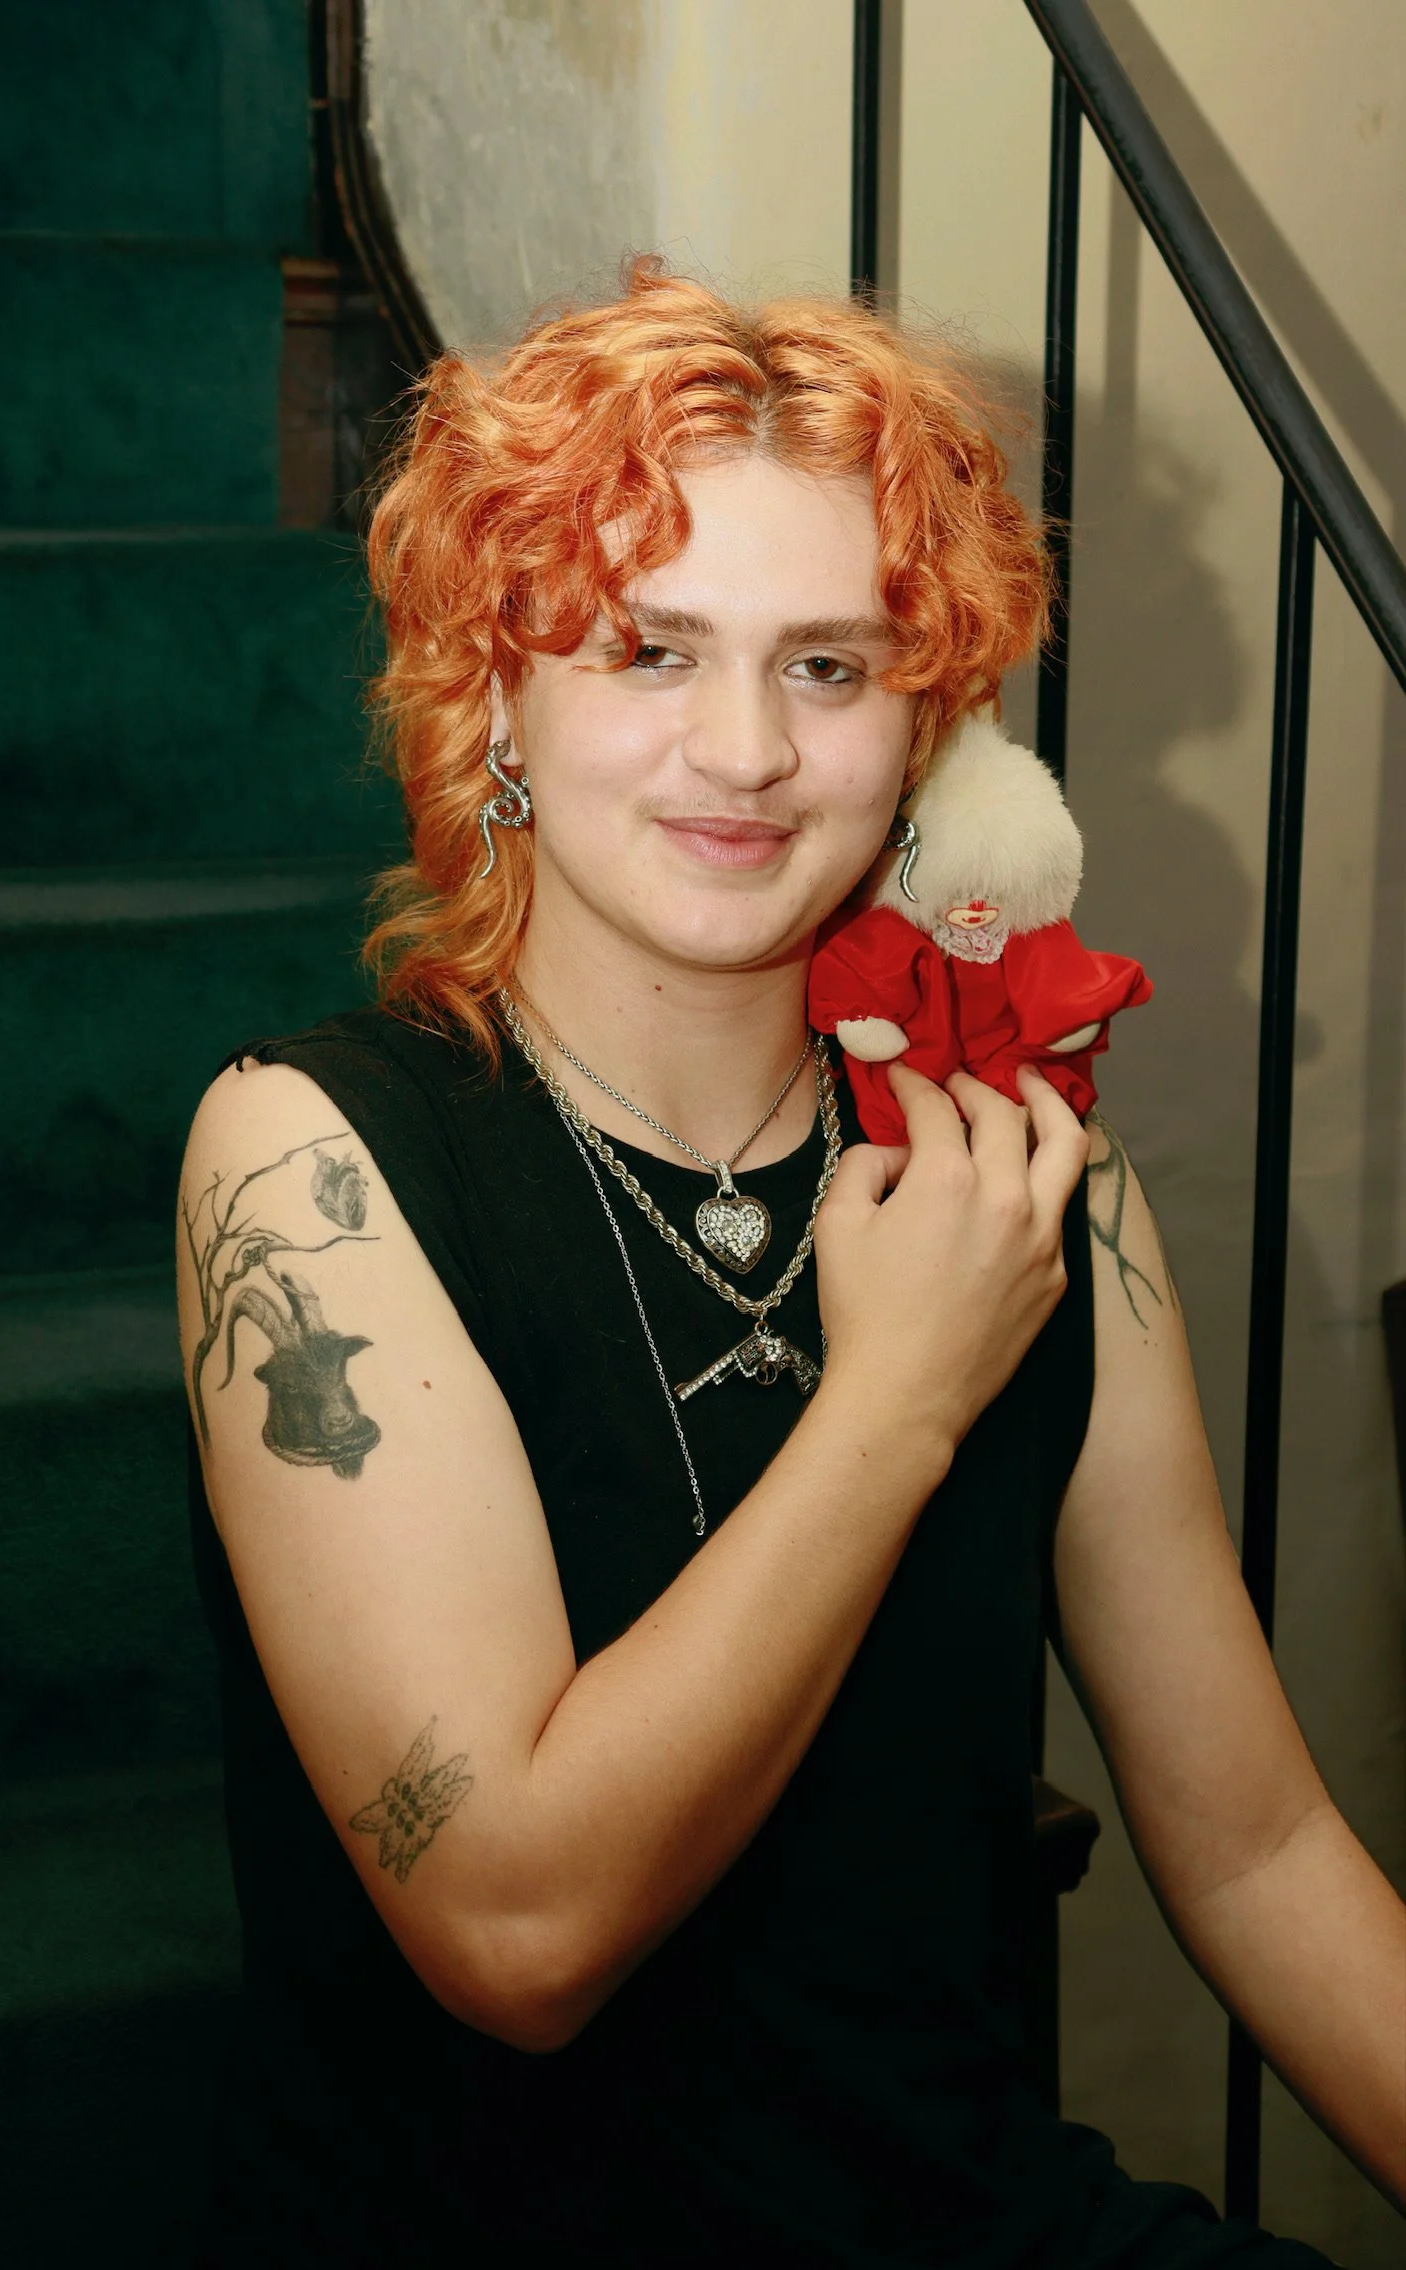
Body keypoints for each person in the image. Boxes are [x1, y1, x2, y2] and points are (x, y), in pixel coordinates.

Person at [177, 260, 1404, 2268]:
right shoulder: (308, 1155)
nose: (744, 749)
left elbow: (1261, 1850)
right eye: (650, 649)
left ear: (924, 724)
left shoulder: (1036, 1182)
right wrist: (900, 1393)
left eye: (828, 665)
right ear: (496, 693)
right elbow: (516, 1930)